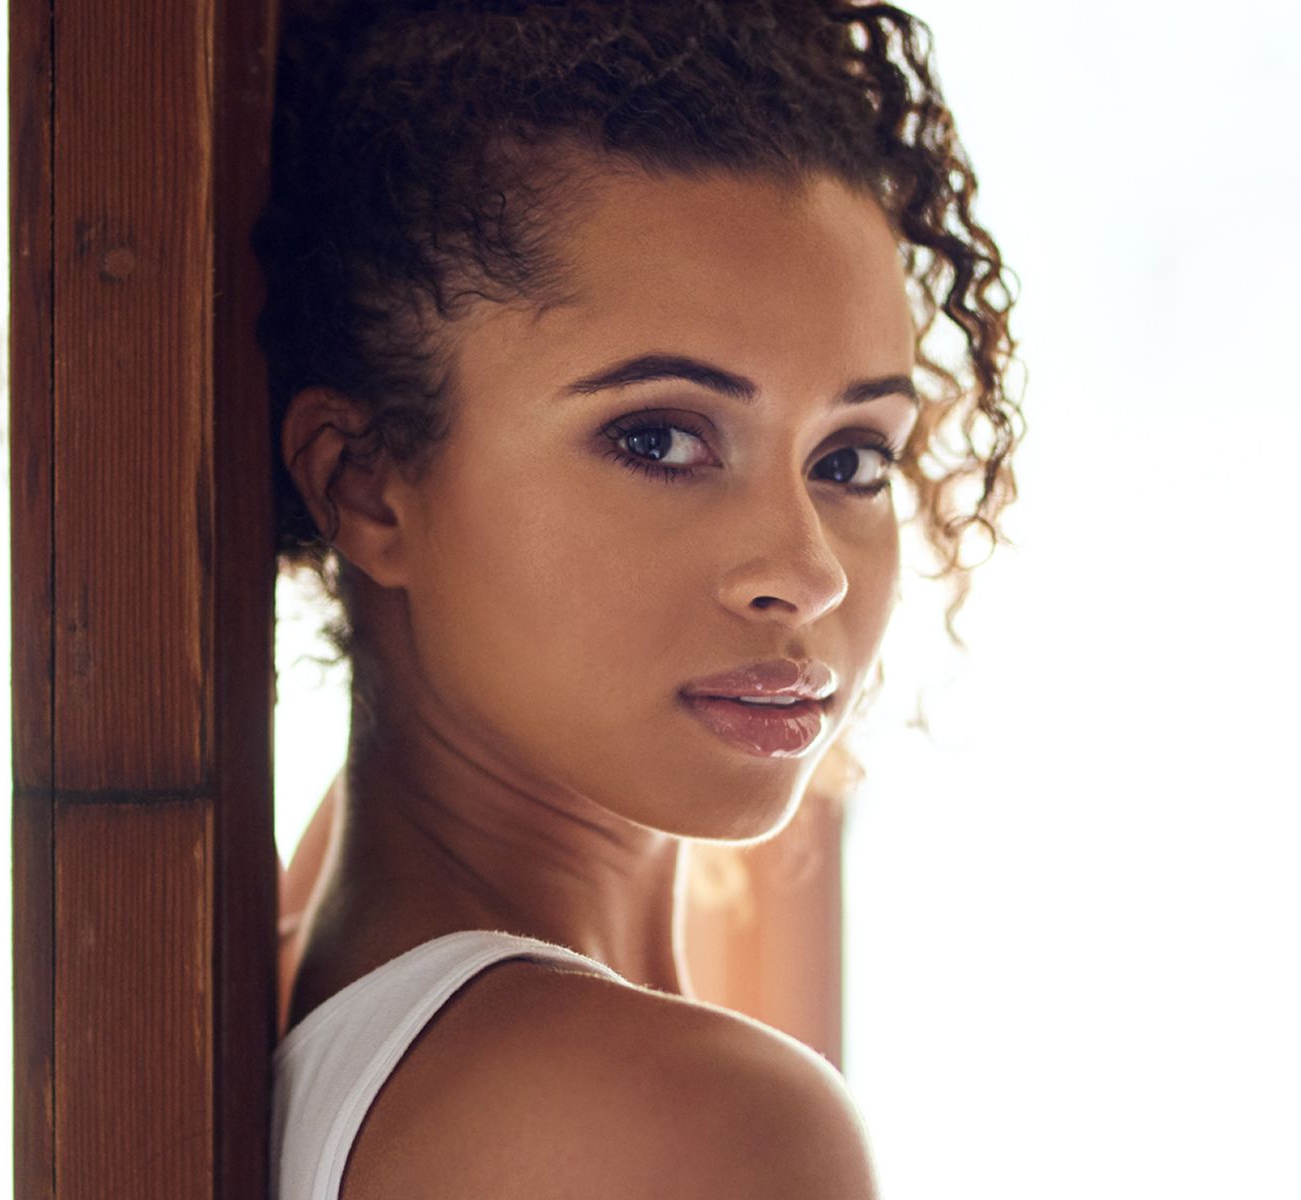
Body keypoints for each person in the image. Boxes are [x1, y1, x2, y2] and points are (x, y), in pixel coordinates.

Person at [254, 1, 1022, 1195]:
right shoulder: (695, 1125)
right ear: (369, 485)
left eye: (851, 460)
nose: (805, 569)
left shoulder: (319, 964)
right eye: (659, 438)